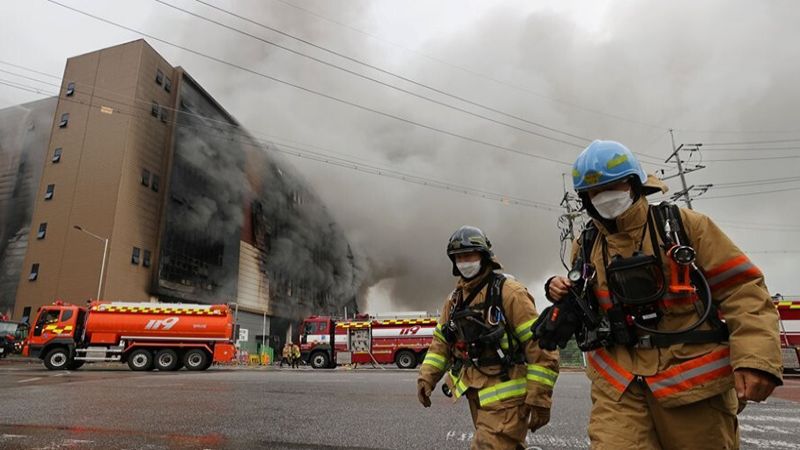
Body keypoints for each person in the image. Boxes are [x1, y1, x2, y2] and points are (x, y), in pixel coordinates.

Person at [545, 140, 783, 449]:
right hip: (620, 388)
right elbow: (588, 305)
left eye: (614, 186)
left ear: (635, 184)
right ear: (585, 200)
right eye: (594, 192)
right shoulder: (587, 245)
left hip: (693, 387)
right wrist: (560, 290)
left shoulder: (685, 227)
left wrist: (755, 358)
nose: (605, 197)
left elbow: (743, 289)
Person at [417, 226, 559, 450]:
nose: (465, 261)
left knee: (488, 446)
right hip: (476, 393)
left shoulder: (510, 293)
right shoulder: (455, 301)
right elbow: (440, 343)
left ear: (484, 256)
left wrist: (540, 398)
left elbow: (540, 347)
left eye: (470, 255)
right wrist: (426, 378)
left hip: (508, 398)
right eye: (459, 257)